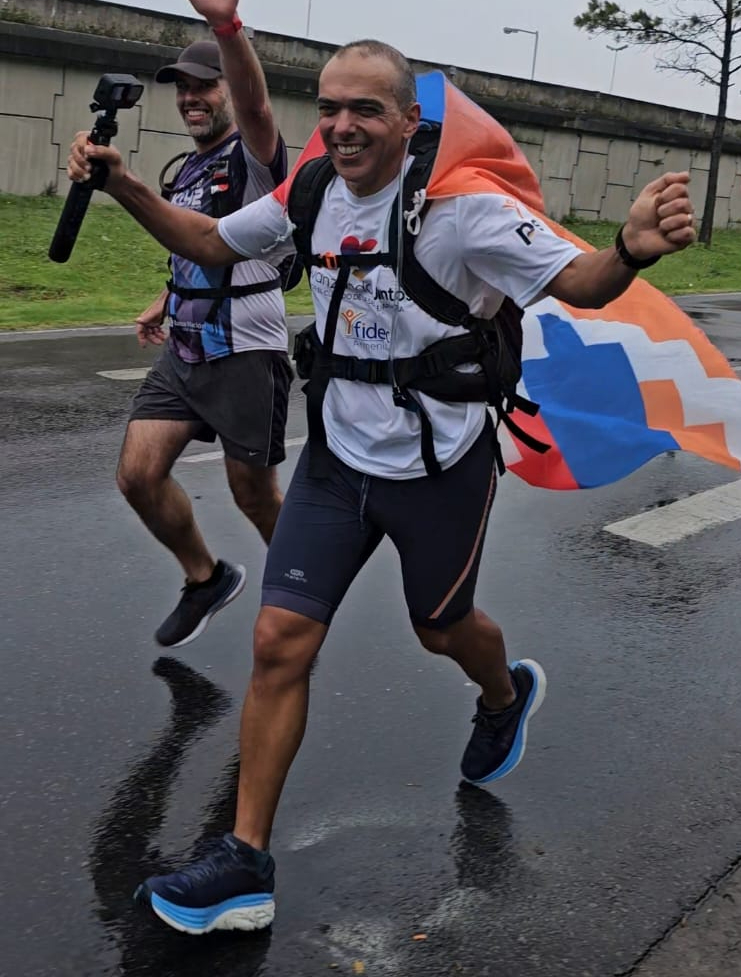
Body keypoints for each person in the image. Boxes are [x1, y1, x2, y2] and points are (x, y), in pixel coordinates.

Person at [68, 25, 696, 935]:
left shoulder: (466, 210)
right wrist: (123, 183)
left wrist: (628, 250)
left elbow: (583, 282)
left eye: (365, 109)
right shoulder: (311, 189)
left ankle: (503, 693)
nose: (341, 126)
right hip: (335, 461)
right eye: (328, 108)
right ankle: (243, 863)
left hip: (438, 468)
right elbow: (209, 241)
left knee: (439, 627)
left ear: (409, 121)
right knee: (279, 640)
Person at [109, 1, 293, 649]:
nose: (191, 98)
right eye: (182, 88)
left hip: (246, 348)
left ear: (227, 92)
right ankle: (205, 578)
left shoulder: (255, 157)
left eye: (204, 86)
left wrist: (226, 28)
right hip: (186, 347)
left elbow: (258, 109)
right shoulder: (186, 169)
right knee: (137, 474)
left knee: (253, 495)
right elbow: (199, 243)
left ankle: (305, 592)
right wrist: (166, 297)